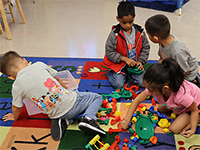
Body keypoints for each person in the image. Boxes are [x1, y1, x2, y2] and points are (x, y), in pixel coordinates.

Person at [0, 51, 106, 141]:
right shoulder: (39, 65)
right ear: (25, 61)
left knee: (57, 106)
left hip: (53, 113)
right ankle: (88, 118)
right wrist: (68, 92)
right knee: (97, 97)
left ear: (10, 77)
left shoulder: (16, 86)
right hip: (71, 103)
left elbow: (16, 106)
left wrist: (15, 117)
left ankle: (63, 120)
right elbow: (58, 79)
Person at [121, 57, 200, 138]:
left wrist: (193, 129)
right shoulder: (156, 87)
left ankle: (194, 118)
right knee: (161, 109)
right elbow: (137, 100)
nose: (148, 91)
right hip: (179, 104)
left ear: (165, 88)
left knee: (174, 129)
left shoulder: (182, 96)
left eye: (150, 90)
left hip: (193, 107)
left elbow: (194, 110)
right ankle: (179, 111)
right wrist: (127, 119)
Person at [103, 2, 150, 89]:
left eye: (130, 22)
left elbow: (146, 48)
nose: (128, 25)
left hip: (134, 65)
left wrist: (140, 61)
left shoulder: (140, 32)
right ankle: (112, 73)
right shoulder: (114, 34)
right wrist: (124, 59)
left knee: (143, 83)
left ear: (134, 17)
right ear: (118, 19)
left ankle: (128, 75)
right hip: (119, 65)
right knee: (118, 85)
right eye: (124, 22)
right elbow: (109, 51)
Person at [145, 14, 200, 87]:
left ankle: (195, 82)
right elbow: (162, 57)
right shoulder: (163, 41)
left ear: (155, 38)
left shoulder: (177, 52)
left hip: (187, 74)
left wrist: (173, 81)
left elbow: (185, 71)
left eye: (148, 34)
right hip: (174, 67)